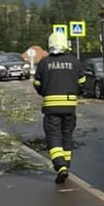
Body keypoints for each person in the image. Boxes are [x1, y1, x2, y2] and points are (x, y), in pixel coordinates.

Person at [33, 31, 84, 184]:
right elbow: (82, 83)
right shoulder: (74, 62)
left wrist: (45, 92)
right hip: (70, 107)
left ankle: (60, 166)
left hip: (51, 108)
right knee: (67, 136)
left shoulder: (44, 63)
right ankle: (66, 165)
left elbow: (37, 84)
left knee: (53, 137)